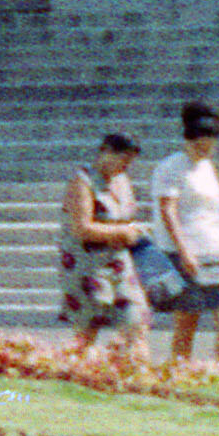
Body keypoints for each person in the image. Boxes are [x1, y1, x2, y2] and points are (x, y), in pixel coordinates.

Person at [150, 101, 219, 368]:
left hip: (216, 250)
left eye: (210, 144)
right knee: (187, 319)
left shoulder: (208, 168)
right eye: (199, 144)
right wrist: (183, 251)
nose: (205, 150)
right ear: (188, 140)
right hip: (185, 252)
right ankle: (179, 373)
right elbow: (167, 211)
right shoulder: (171, 168)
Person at [55, 132, 149, 358]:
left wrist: (134, 231)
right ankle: (76, 373)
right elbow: (81, 228)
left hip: (118, 261)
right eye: (122, 159)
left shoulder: (122, 181)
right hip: (88, 265)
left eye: (130, 161)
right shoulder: (83, 181)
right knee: (87, 331)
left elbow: (125, 216)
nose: (125, 166)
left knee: (136, 319)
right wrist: (121, 232)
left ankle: (134, 372)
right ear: (106, 152)